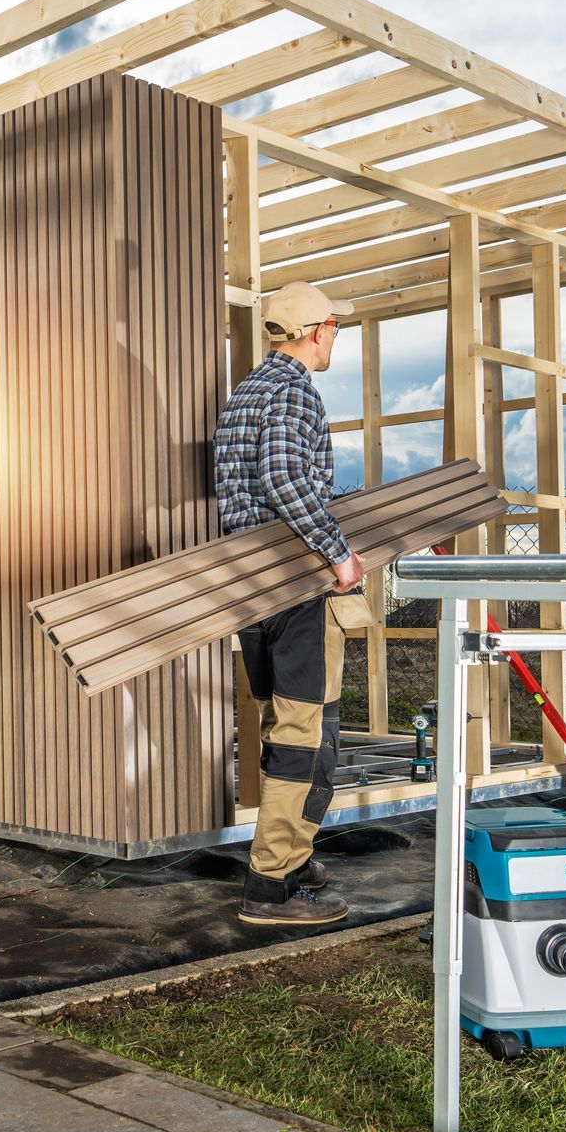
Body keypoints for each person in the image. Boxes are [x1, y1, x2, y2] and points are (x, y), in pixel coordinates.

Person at [215, 281, 367, 926]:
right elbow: (283, 476)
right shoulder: (296, 390)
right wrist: (338, 553)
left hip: (255, 585)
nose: (335, 336)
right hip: (296, 583)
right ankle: (270, 886)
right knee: (305, 735)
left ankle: (295, 855)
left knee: (299, 727)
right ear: (313, 330)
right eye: (334, 326)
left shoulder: (247, 390)